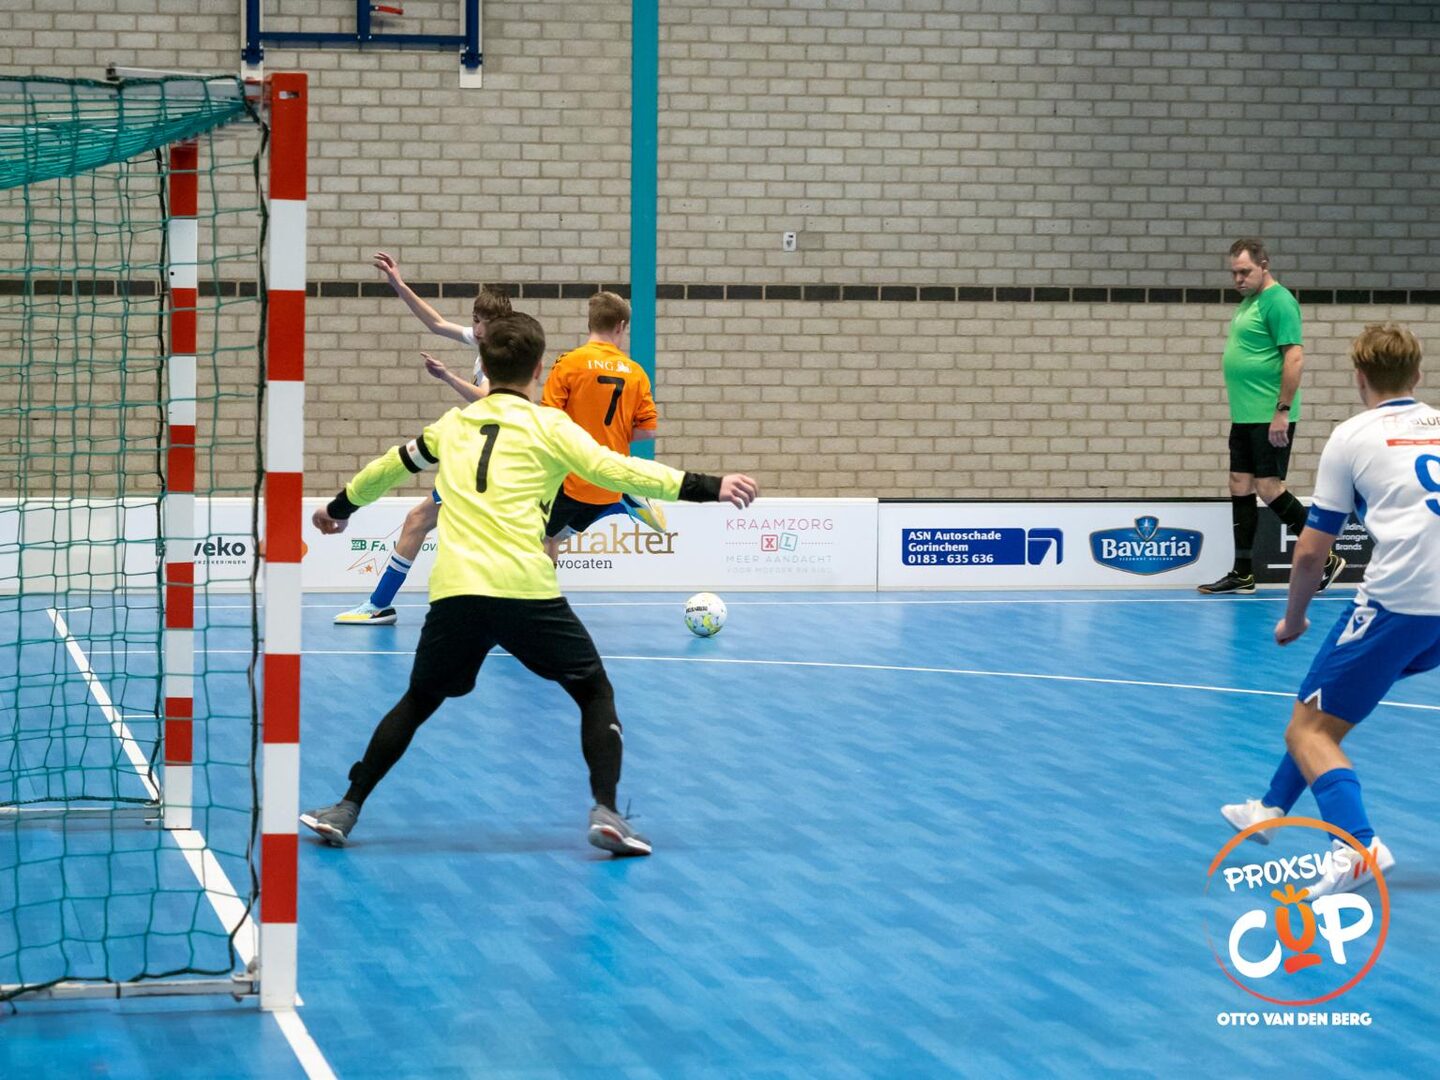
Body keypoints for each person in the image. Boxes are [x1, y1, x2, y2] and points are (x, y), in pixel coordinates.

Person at [301, 312, 759, 856]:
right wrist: (709, 485)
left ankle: (346, 807)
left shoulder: (453, 425)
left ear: (485, 364)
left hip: (457, 592)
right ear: (540, 368)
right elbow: (620, 472)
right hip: (525, 589)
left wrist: (338, 508)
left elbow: (389, 466)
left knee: (419, 699)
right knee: (593, 691)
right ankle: (607, 812)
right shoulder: (550, 427)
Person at [1221, 324, 1440, 896]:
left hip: (1401, 602)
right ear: (1418, 375)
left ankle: (1357, 846)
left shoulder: (1353, 436)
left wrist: (1294, 617)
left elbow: (1312, 552)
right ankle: (1270, 808)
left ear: (1359, 377)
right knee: (1325, 714)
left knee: (1308, 729)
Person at [334, 251, 511, 625]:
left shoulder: (500, 356)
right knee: (421, 520)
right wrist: (398, 283)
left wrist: (447, 376)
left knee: (431, 523)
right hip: (484, 454)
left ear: (498, 324)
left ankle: (381, 604)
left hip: (493, 459)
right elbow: (436, 322)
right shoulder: (485, 344)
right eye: (475, 321)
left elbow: (488, 399)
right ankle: (380, 604)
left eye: (482, 322)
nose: (476, 328)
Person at [1198, 238, 1345, 595]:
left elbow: (1294, 357)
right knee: (1239, 483)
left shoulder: (1279, 301)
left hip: (1269, 413)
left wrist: (1282, 411)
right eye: (1234, 273)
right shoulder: (1249, 302)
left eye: (1245, 272)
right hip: (1245, 415)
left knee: (1269, 487)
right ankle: (1243, 573)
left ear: (1264, 265)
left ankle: (1326, 556)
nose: (1238, 279)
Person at [540, 290, 666, 562]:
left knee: (534, 537)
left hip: (571, 480)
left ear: (590, 323)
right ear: (620, 326)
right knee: (554, 538)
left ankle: (532, 592)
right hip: (608, 485)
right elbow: (648, 430)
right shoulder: (636, 373)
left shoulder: (568, 363)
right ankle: (624, 499)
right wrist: (611, 435)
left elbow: (548, 421)